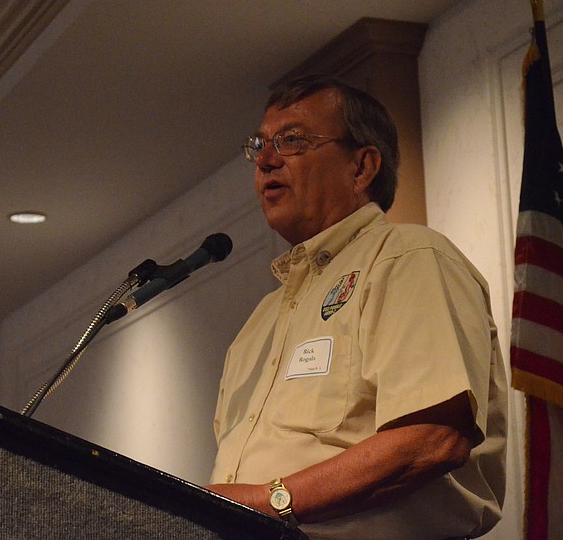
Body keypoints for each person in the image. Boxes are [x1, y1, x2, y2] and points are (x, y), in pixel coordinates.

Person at [205, 75, 507, 539]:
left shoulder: (407, 258)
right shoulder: (258, 324)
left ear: (362, 167)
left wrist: (270, 502)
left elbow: (432, 438)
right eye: (260, 145)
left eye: (292, 141)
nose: (265, 161)